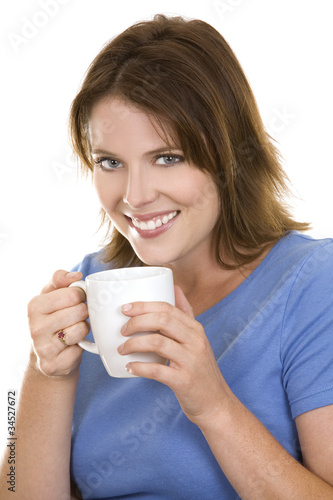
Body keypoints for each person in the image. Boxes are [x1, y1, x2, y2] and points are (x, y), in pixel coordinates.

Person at [1, 14, 333, 500]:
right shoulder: (90, 285)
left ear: (229, 157)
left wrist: (213, 406)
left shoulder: (312, 283)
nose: (134, 196)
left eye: (167, 157)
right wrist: (45, 371)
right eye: (110, 162)